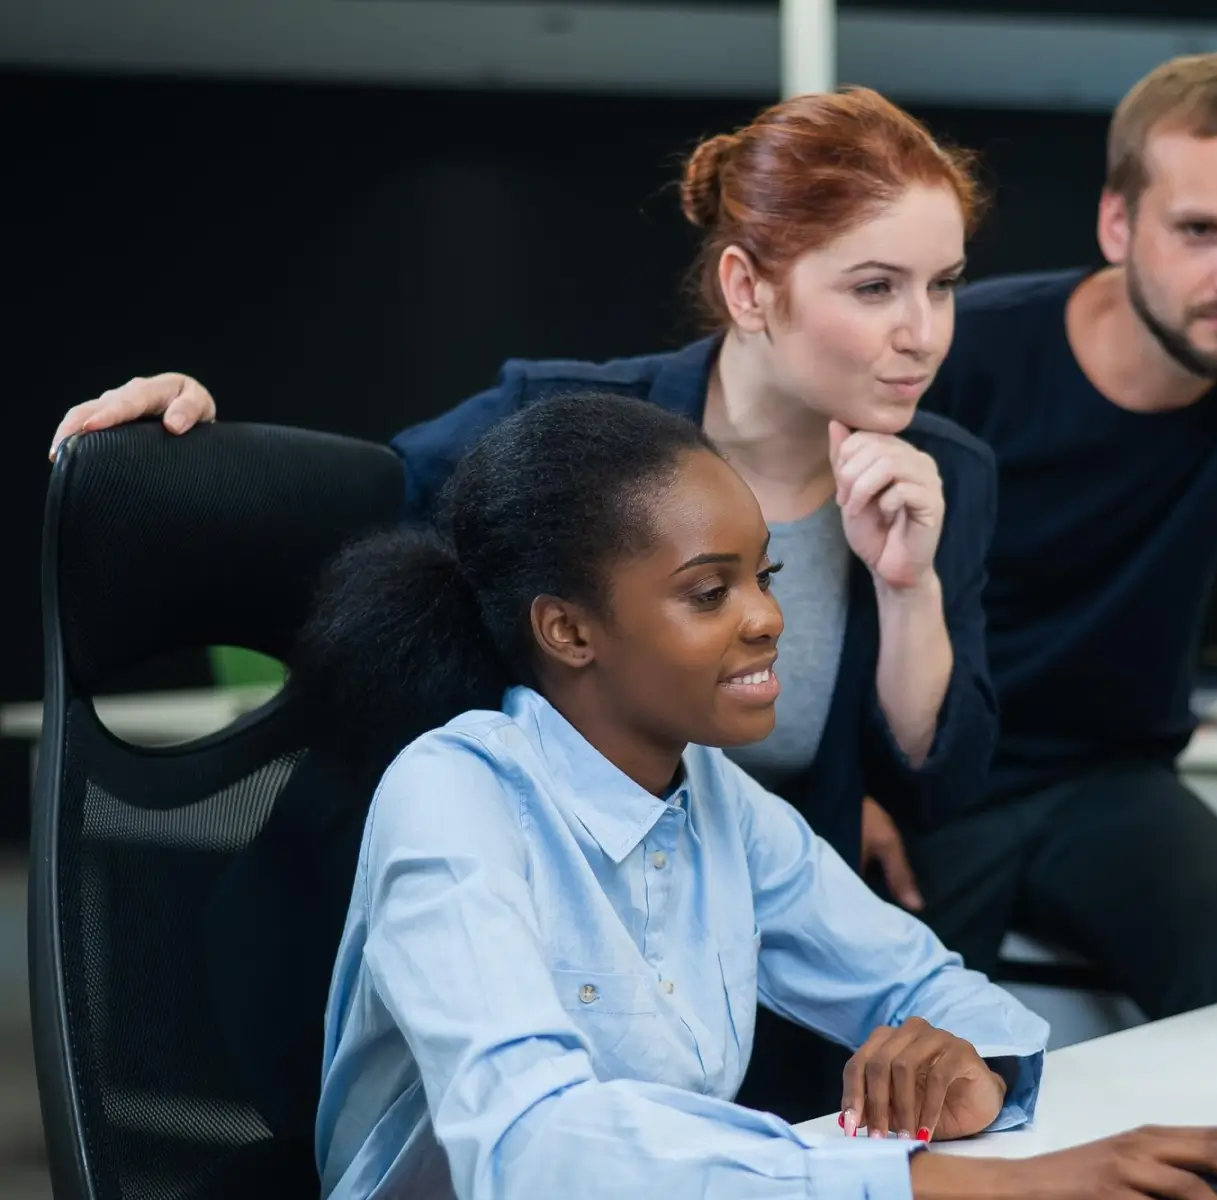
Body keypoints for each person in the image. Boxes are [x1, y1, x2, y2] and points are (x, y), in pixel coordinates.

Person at [49, 86, 996, 1119]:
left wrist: (909, 590)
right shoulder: (571, 429)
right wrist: (192, 437)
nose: (923, 334)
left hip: (721, 960)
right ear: (748, 287)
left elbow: (932, 790)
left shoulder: (942, 471)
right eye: (875, 288)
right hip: (493, 945)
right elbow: (342, 526)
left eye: (943, 286)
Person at [292, 389, 1217, 1200]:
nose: (768, 618)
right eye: (710, 591)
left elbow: (931, 985)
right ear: (568, 630)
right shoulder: (454, 795)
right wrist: (946, 1185)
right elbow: (533, 1152)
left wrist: (970, 1066)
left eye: (764, 577)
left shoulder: (713, 798)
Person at [896, 52, 1217, 1009]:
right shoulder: (969, 352)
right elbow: (828, 583)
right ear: (1118, 225)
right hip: (926, 782)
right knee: (858, 1051)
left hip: (1110, 784)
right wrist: (854, 799)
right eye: (1201, 231)